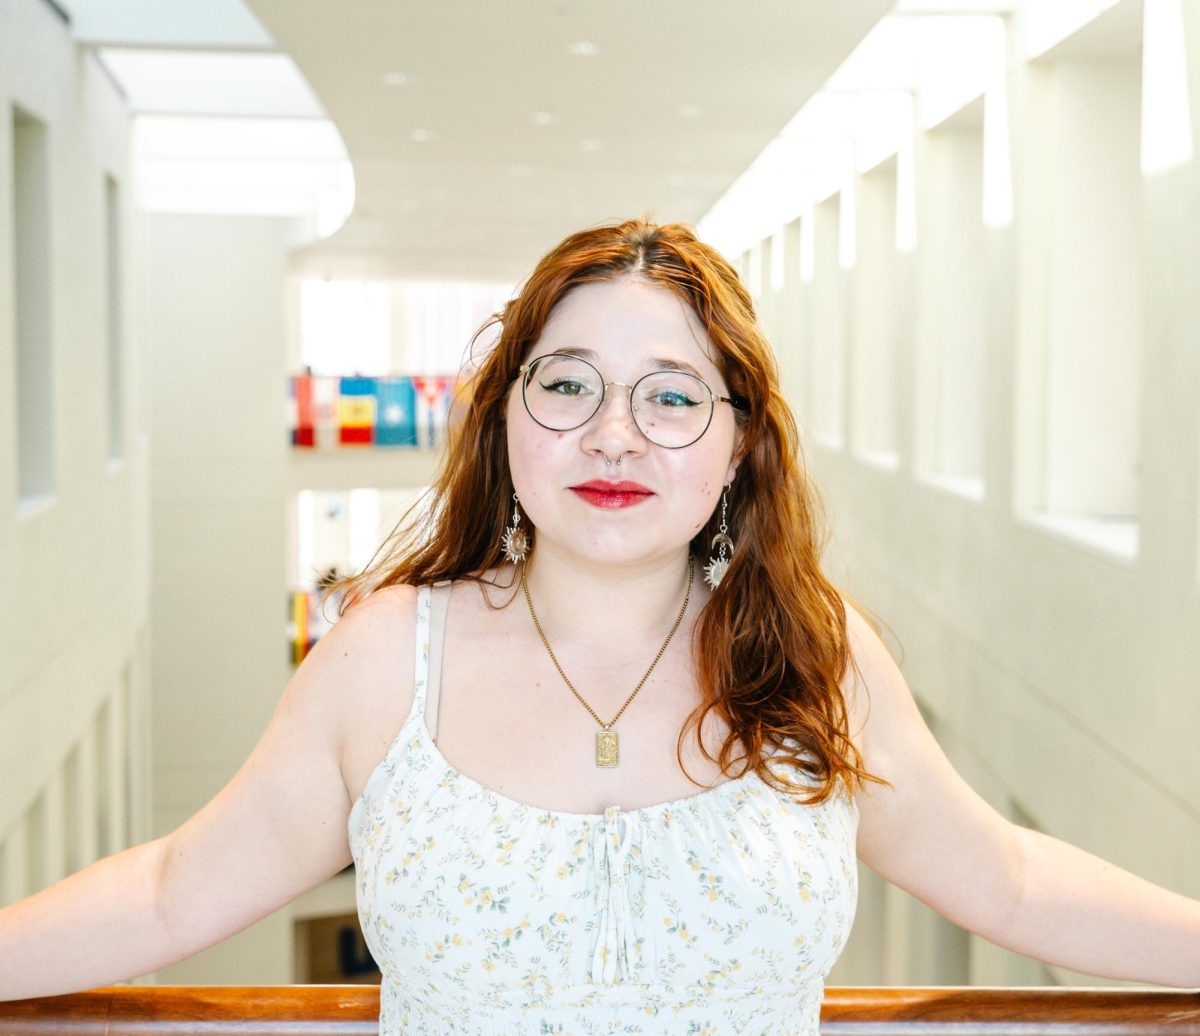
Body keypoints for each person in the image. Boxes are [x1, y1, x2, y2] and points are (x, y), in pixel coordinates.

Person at [0, 219, 1197, 1034]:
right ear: (504, 419)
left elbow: (1013, 879)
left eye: (672, 397)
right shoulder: (384, 658)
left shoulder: (814, 658)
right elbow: (167, 889)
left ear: (738, 446)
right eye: (567, 383)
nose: (615, 434)